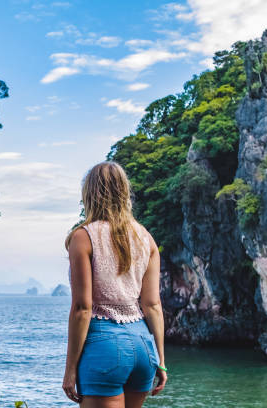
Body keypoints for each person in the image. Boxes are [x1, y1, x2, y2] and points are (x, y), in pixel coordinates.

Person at [62, 161, 167, 408]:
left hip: (104, 345)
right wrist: (161, 360)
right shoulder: (146, 238)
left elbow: (82, 308)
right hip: (143, 346)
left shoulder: (83, 236)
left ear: (89, 194)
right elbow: (152, 304)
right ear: (124, 192)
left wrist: (69, 370)